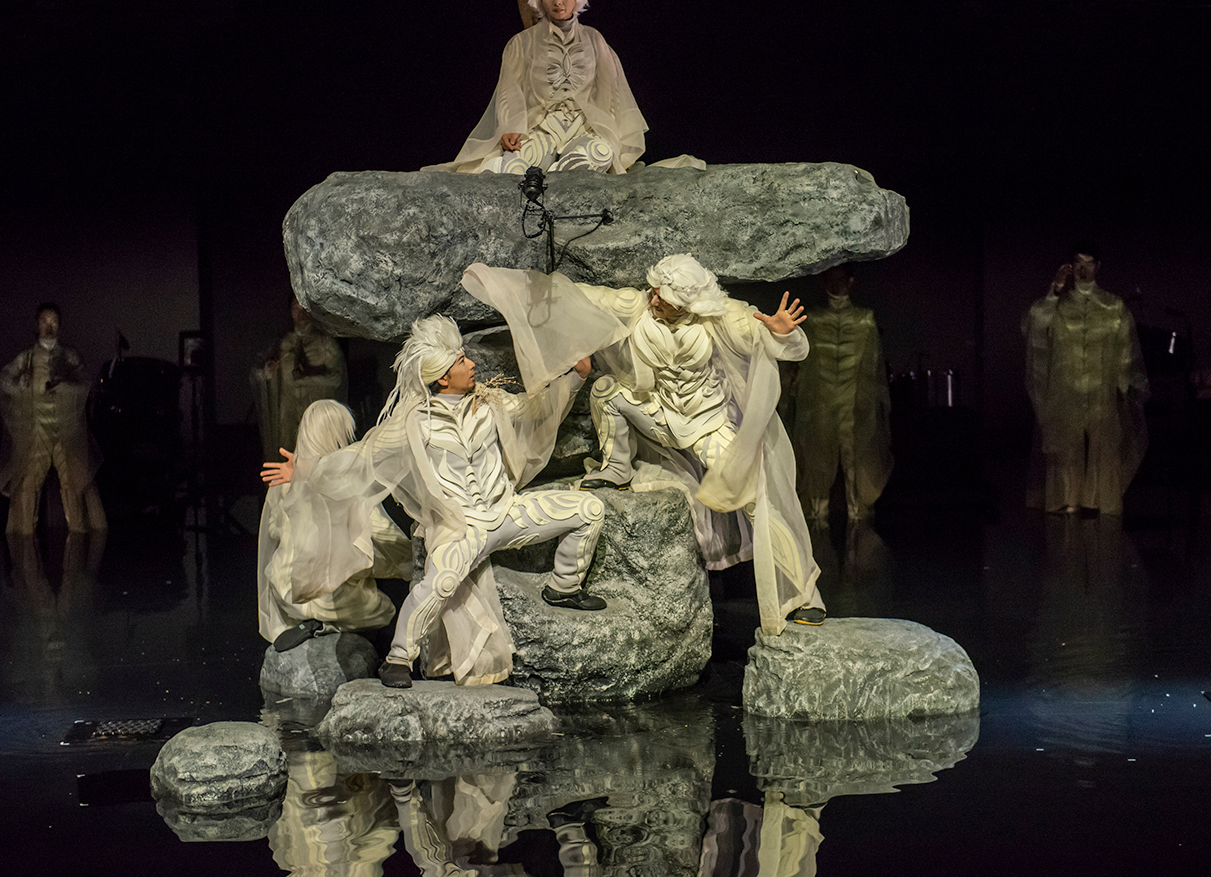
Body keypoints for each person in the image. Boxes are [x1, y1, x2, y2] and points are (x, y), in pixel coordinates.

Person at [463, 254, 826, 636]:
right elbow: (583, 297)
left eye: (661, 297)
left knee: (756, 498)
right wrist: (518, 287)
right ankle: (617, 467)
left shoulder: (722, 317)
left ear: (686, 302)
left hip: (707, 425)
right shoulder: (638, 307)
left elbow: (765, 335)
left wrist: (780, 333)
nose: (652, 300)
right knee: (606, 390)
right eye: (652, 292)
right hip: (660, 415)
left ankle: (804, 593)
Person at [263, 315, 604, 690]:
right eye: (461, 361)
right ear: (442, 377)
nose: (471, 364)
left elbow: (533, 408)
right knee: (439, 584)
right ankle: (398, 658)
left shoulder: (490, 403)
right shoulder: (413, 421)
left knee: (588, 510)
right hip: (462, 527)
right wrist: (306, 468)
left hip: (506, 512)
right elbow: (362, 457)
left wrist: (575, 378)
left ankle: (564, 586)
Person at [424, 0, 647, 176]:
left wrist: (610, 134)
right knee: (512, 166)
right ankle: (540, 177)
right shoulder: (522, 42)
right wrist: (511, 126)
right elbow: (510, 90)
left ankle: (549, 180)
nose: (557, 1)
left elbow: (611, 90)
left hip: (585, 129)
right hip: (540, 128)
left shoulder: (594, 39)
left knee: (599, 153)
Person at [257, 399, 413, 650]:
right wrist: (412, 559)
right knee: (383, 608)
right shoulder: (345, 484)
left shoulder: (287, 478)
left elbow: (274, 530)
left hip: (287, 592)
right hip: (328, 598)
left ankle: (309, 622)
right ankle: (325, 625)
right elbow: (379, 534)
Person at [1021, 243, 1148, 515]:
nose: (1083, 269)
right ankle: (1067, 497)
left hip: (1101, 389)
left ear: (1098, 266)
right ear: (1070, 267)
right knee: (1065, 442)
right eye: (1078, 263)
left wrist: (1124, 385)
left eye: (1089, 263)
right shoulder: (1059, 305)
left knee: (1105, 443)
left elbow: (1126, 348)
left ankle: (1099, 498)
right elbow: (1035, 324)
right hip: (1066, 386)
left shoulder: (1113, 306)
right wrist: (1055, 289)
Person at [785, 265, 892, 525]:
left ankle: (859, 521)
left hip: (853, 405)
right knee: (816, 462)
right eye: (830, 279)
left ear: (851, 281)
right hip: (819, 404)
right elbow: (800, 363)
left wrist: (871, 404)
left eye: (840, 279)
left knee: (856, 461)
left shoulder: (865, 319)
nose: (836, 284)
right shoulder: (813, 319)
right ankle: (815, 521)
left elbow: (874, 366)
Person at [0, 303, 106, 535]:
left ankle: (80, 535)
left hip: (66, 429)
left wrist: (64, 385)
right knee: (28, 483)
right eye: (44, 321)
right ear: (37, 324)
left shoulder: (69, 356)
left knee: (74, 481)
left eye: (54, 321)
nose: (49, 326)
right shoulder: (26, 358)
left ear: (59, 325)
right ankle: (24, 538)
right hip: (37, 428)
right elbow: (4, 384)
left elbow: (85, 384)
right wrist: (21, 385)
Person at [252, 295, 348, 464]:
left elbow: (337, 379)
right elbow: (263, 376)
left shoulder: (326, 344)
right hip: (287, 415)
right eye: (295, 309)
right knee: (287, 455)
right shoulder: (284, 344)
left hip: (314, 416)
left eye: (304, 309)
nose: (300, 314)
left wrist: (311, 376)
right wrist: (269, 373)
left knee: (314, 458)